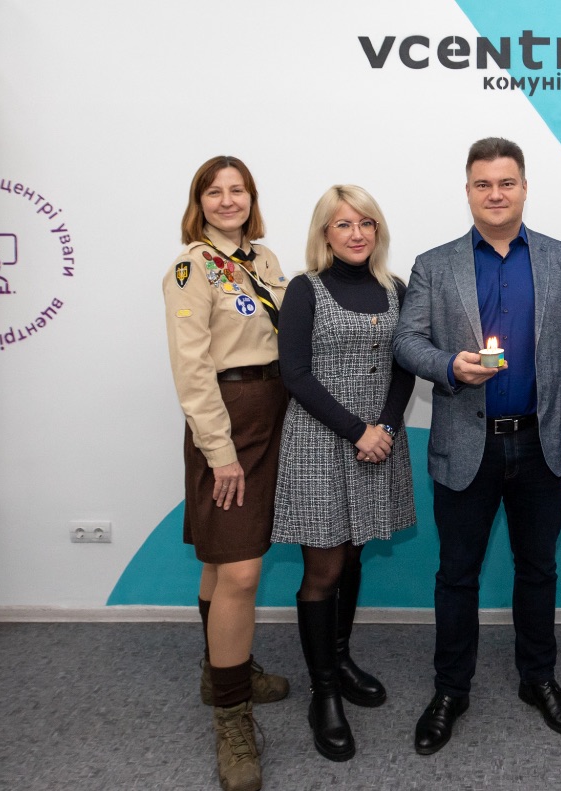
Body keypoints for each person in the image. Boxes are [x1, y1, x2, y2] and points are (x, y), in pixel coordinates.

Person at [393, 137, 561, 756]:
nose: (495, 194)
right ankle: (450, 690)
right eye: (483, 184)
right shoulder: (434, 264)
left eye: (506, 183)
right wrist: (449, 366)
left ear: (524, 188)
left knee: (538, 569)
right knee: (456, 575)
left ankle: (538, 678)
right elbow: (406, 343)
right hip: (467, 445)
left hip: (542, 443)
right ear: (467, 191)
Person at [271, 185, 416, 763]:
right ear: (324, 234)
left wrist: (385, 427)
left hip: (378, 440)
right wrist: (358, 431)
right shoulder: (304, 289)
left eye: (366, 223)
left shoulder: (395, 289)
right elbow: (295, 374)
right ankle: (323, 692)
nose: (357, 234)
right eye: (343, 224)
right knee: (324, 568)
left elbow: (405, 364)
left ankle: (340, 656)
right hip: (321, 440)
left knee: (355, 553)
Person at [162, 155, 291, 791]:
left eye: (237, 190)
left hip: (276, 411)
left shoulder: (263, 260)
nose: (227, 200)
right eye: (214, 192)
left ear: (251, 198)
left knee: (221, 561)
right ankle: (232, 722)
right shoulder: (191, 269)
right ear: (200, 203)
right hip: (228, 420)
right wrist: (219, 452)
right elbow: (192, 371)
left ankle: (222, 672)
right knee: (240, 569)